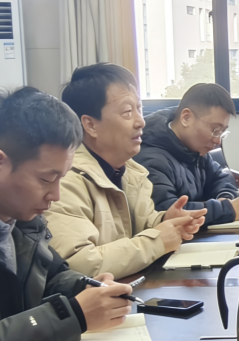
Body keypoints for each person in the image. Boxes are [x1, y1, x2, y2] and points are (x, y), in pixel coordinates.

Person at [0, 87, 134, 341]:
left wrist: (87, 287)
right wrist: (74, 314)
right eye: (46, 179)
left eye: (61, 179)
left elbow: (51, 276)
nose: (55, 195)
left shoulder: (22, 220)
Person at [45, 63, 206, 279]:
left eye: (139, 109)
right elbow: (79, 264)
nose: (140, 121)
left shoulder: (131, 171)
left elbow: (140, 228)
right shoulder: (65, 181)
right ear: (90, 125)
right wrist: (157, 241)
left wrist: (165, 221)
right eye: (128, 112)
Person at [134, 83, 239, 227]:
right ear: (186, 118)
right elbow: (167, 211)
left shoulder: (194, 148)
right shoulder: (151, 158)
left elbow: (220, 177)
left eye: (222, 132)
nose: (217, 141)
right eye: (215, 129)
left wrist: (225, 197)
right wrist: (225, 209)